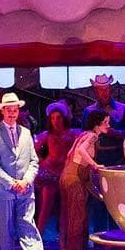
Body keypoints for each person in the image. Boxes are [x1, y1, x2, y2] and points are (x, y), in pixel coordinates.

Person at [0, 93, 50, 250]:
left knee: (27, 223)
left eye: (15, 110)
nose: (12, 113)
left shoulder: (26, 133)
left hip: (25, 188)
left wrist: (26, 181)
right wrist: (11, 183)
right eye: (9, 110)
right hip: (4, 189)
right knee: (6, 229)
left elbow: (34, 161)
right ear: (2, 111)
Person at [58, 110, 110, 250]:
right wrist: (95, 165)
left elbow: (71, 154)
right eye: (105, 122)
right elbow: (80, 151)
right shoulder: (92, 136)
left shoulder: (83, 135)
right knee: (78, 217)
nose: (108, 125)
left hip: (70, 177)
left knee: (77, 216)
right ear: (96, 124)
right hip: (74, 178)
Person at [33, 101, 78, 237]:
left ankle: (63, 239)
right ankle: (38, 238)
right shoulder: (47, 135)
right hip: (50, 173)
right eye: (52, 118)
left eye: (58, 117)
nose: (55, 121)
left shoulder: (72, 134)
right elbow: (32, 148)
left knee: (65, 209)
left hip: (65, 173)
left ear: (63, 118)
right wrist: (41, 160)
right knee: (45, 207)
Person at [82, 75, 125, 167]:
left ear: (110, 88)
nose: (104, 92)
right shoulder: (88, 111)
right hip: (96, 159)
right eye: (101, 89)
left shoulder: (123, 108)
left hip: (120, 158)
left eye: (106, 89)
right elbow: (83, 135)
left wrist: (116, 133)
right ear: (96, 91)